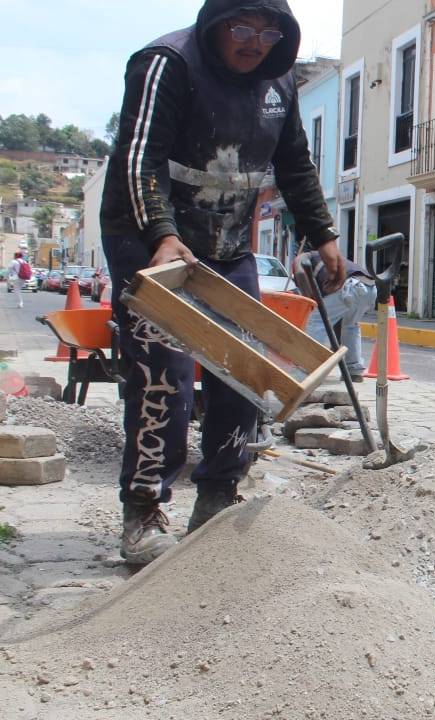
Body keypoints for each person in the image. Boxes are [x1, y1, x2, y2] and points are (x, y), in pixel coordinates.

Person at [99, 0, 344, 564]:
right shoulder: (167, 63)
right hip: (151, 242)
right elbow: (140, 159)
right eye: (242, 28)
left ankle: (218, 494)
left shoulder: (279, 79)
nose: (255, 42)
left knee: (245, 373)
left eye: (269, 31)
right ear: (215, 25)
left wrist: (323, 233)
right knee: (165, 375)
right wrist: (160, 233)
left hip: (228, 243)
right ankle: (141, 510)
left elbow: (295, 163)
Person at [296, 251, 377, 380]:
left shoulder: (305, 258)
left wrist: (308, 298)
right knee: (351, 326)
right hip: (370, 289)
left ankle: (306, 369)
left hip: (351, 287)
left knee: (316, 320)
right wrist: (335, 345)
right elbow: (335, 318)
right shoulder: (326, 259)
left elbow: (300, 274)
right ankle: (354, 371)